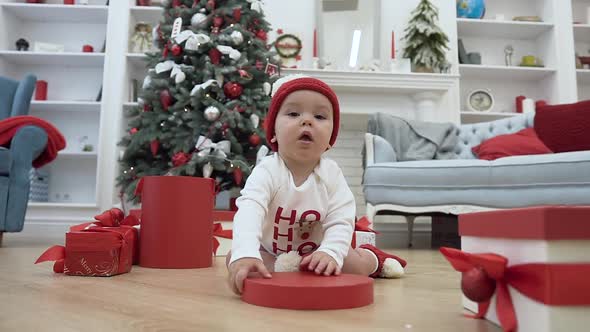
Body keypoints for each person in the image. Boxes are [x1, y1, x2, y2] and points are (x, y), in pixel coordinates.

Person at [226, 75, 407, 295]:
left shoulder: (331, 175)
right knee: (235, 258)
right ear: (273, 131)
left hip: (319, 247)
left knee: (353, 266)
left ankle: (373, 258)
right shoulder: (267, 171)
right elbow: (249, 210)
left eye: (320, 116)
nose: (307, 121)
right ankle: (286, 266)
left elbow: (341, 218)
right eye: (293, 114)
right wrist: (245, 253)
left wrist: (331, 251)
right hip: (271, 250)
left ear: (331, 138)